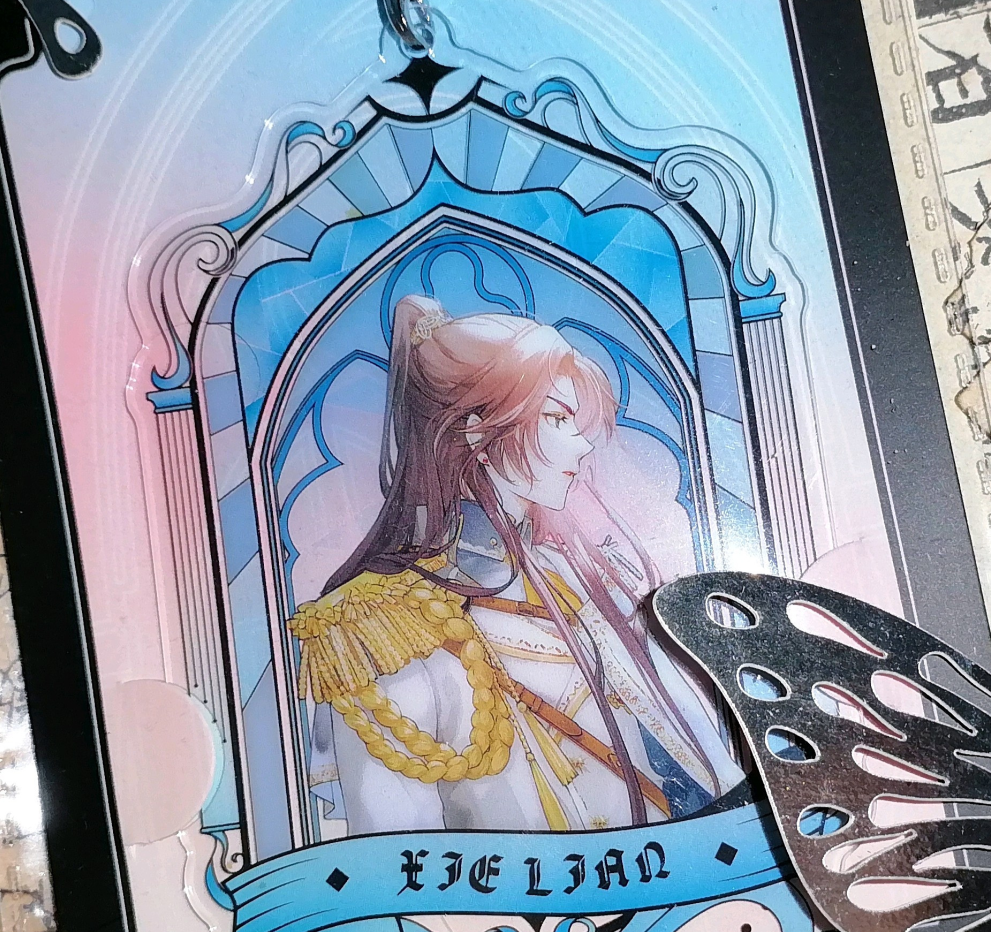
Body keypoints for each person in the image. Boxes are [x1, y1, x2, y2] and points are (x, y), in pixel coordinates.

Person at [289, 294, 744, 835]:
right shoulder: (372, 628)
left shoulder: (581, 576)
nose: (581, 446)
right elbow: (396, 850)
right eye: (555, 418)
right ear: (476, 431)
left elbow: (701, 769)